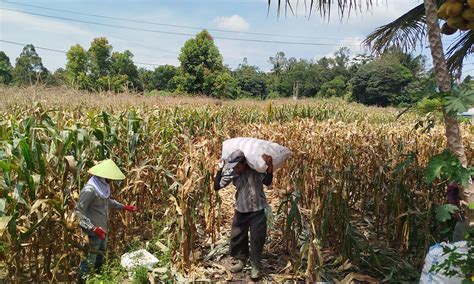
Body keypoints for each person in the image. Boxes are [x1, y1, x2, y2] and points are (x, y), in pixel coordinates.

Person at [75, 159, 138, 283]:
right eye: (109, 178)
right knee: (89, 261)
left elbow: (108, 201)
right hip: (93, 233)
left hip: (103, 230)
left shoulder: (101, 188)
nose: (111, 181)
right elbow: (78, 211)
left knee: (100, 257)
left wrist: (124, 206)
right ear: (102, 177)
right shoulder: (90, 190)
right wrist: (92, 228)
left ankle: (99, 279)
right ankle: (81, 281)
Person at [214, 150, 273, 280]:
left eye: (238, 165)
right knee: (238, 237)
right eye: (234, 166)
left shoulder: (256, 171)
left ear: (244, 162)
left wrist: (270, 166)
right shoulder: (233, 173)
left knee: (257, 237)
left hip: (258, 209)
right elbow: (217, 186)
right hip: (241, 209)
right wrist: (219, 170)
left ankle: (255, 266)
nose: (235, 168)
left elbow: (268, 182)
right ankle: (241, 260)